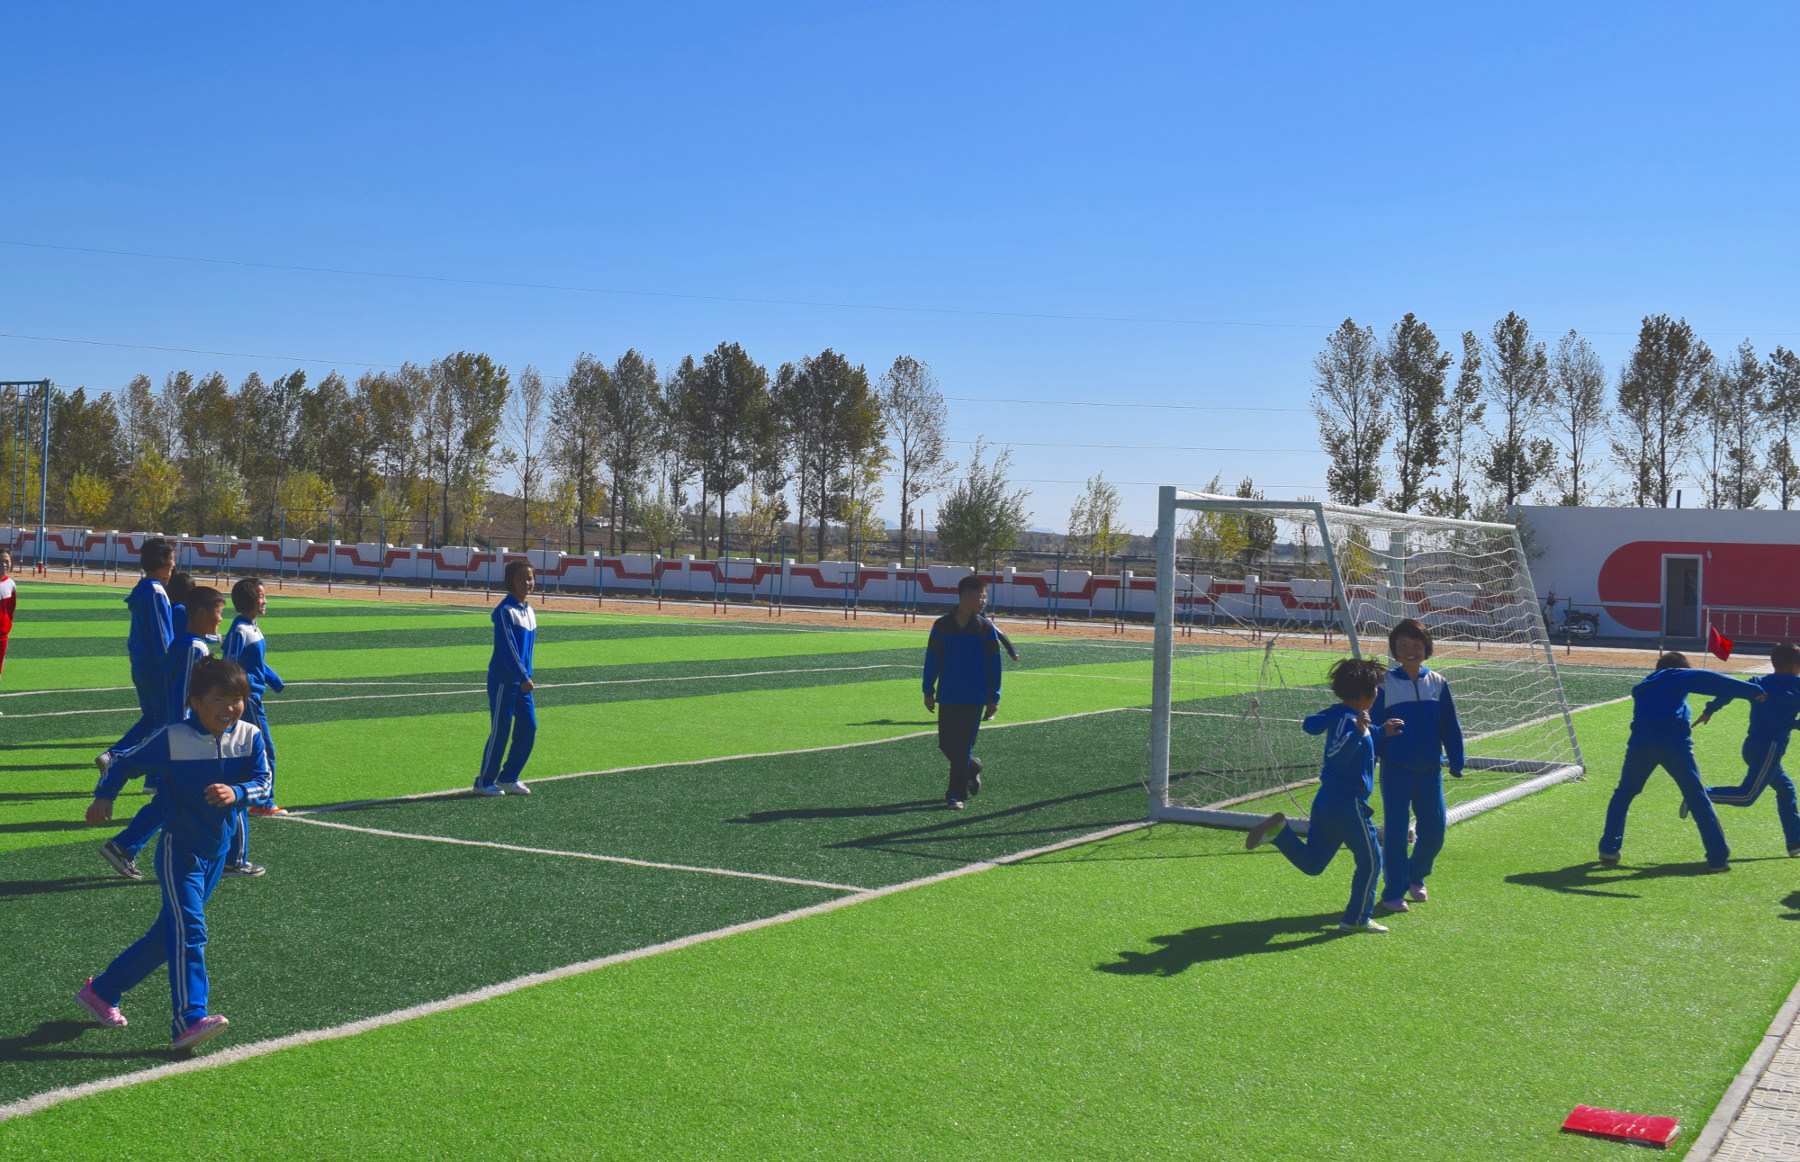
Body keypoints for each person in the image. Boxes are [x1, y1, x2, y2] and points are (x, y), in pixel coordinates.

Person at [76, 657, 269, 1052]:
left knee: (169, 937)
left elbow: (264, 782)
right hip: (178, 850)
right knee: (190, 932)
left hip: (215, 853)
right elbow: (123, 762)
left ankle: (103, 991)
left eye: (237, 699)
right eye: (220, 699)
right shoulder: (172, 737)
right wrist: (104, 796)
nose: (230, 708)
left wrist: (240, 793)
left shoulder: (249, 736)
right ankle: (190, 1018)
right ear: (195, 702)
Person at [1247, 657, 1391, 933]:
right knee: (1372, 861)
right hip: (1347, 803)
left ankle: (1280, 834)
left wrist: (1378, 731)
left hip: (1326, 802)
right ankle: (1356, 918)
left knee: (1314, 863)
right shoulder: (1352, 723)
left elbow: (1327, 728)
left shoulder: (1341, 714)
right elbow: (1337, 755)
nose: (1377, 695)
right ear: (1365, 696)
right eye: (1375, 690)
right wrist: (1361, 734)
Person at [1599, 652, 1766, 871]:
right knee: (1697, 797)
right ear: (1680, 669)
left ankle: (1608, 848)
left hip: (1640, 744)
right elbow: (1709, 680)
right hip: (1673, 744)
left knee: (1624, 793)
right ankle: (1717, 857)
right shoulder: (1674, 674)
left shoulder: (1646, 685)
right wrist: (1751, 691)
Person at [100, 586, 224, 880]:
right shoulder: (194, 648)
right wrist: (186, 735)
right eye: (219, 612)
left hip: (178, 734)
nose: (221, 619)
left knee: (173, 798)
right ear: (202, 613)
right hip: (184, 737)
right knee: (180, 799)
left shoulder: (184, 643)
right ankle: (126, 846)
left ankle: (126, 847)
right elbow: (184, 694)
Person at [1369, 618, 1464, 913]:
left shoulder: (1437, 682)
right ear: (1395, 650)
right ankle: (1393, 890)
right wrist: (1368, 760)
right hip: (1396, 769)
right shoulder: (1384, 684)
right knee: (1396, 833)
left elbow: (1449, 723)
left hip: (1430, 771)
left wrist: (1456, 758)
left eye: (1416, 644)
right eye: (1403, 645)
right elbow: (1371, 726)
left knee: (1435, 830)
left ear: (1427, 647)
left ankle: (1416, 875)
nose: (1410, 650)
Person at [1691, 642, 1800, 855]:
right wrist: (1791, 724)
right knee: (1746, 796)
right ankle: (1697, 796)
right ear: (1794, 665)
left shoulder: (1759, 682)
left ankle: (1795, 842)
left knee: (1786, 789)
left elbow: (1730, 690)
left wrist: (1710, 710)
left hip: (1751, 747)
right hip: (1771, 749)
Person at [94, 539, 176, 777]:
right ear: (162, 562)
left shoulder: (142, 588)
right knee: (165, 721)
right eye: (171, 559)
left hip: (140, 663)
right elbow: (162, 636)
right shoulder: (156, 591)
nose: (173, 564)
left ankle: (114, 756)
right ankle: (123, 760)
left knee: (152, 719)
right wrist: (170, 665)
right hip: (156, 666)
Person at [923, 574, 1004, 809]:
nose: (983, 601)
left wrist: (993, 697)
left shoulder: (985, 629)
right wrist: (928, 690)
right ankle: (973, 767)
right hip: (947, 695)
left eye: (985, 597)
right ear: (965, 596)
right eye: (980, 596)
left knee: (961, 747)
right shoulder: (941, 626)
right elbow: (932, 660)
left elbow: (994, 666)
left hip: (974, 697)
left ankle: (955, 795)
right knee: (946, 744)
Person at [220, 577, 284, 876]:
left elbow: (256, 663)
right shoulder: (239, 629)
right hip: (248, 699)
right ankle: (262, 801)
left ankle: (259, 798)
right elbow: (230, 663)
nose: (265, 599)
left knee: (257, 750)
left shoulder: (252, 626)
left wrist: (272, 678)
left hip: (254, 694)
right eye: (261, 595)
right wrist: (237, 694)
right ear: (248, 599)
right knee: (264, 749)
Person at [474, 560, 537, 796]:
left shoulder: (529, 610)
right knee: (501, 730)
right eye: (522, 579)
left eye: (530, 578)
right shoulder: (504, 611)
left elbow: (527, 650)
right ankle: (484, 780)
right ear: (510, 582)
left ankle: (509, 776)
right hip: (505, 681)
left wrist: (526, 675)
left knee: (528, 728)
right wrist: (522, 675)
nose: (527, 583)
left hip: (523, 682)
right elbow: (508, 648)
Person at [0, 547, 15, 700]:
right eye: (1, 561)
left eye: (7, 561)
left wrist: (6, 626)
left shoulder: (10, 584)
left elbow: (11, 609)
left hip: (2, 635)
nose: (4, 564)